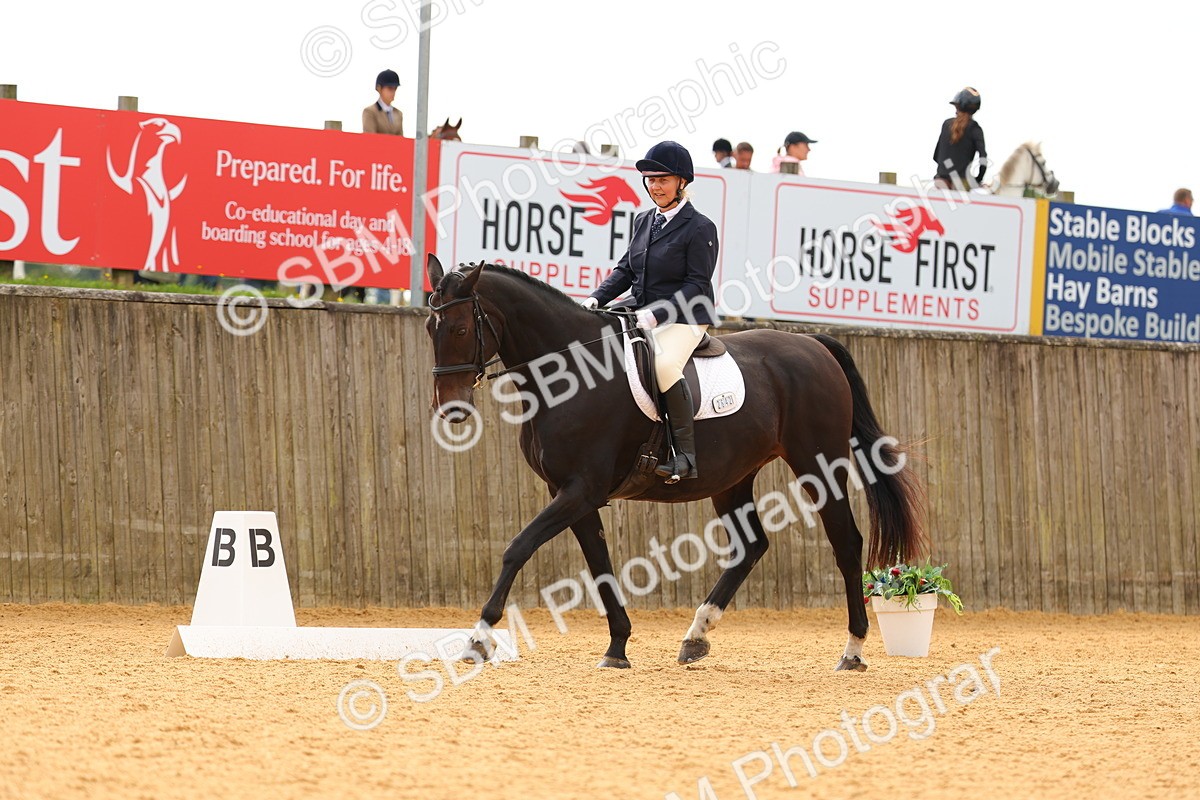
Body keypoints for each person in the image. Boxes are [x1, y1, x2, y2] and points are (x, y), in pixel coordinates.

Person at [581, 141, 718, 482]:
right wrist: (596, 300)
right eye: (650, 180)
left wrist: (657, 314)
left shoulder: (700, 227)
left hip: (686, 315)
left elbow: (697, 284)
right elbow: (626, 269)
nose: (655, 186)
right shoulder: (644, 220)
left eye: (663, 180)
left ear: (681, 182)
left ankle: (685, 456)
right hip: (641, 307)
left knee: (664, 364)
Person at [933, 87, 987, 190]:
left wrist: (946, 170)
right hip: (961, 182)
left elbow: (936, 156)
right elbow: (983, 157)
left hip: (941, 181)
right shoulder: (975, 129)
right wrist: (978, 180)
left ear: (958, 106)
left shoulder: (946, 124)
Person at [362, 69, 403, 136]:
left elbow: (400, 139)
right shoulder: (369, 112)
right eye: (390, 88)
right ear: (379, 88)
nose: (393, 92)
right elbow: (369, 138)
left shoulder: (398, 114)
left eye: (395, 88)